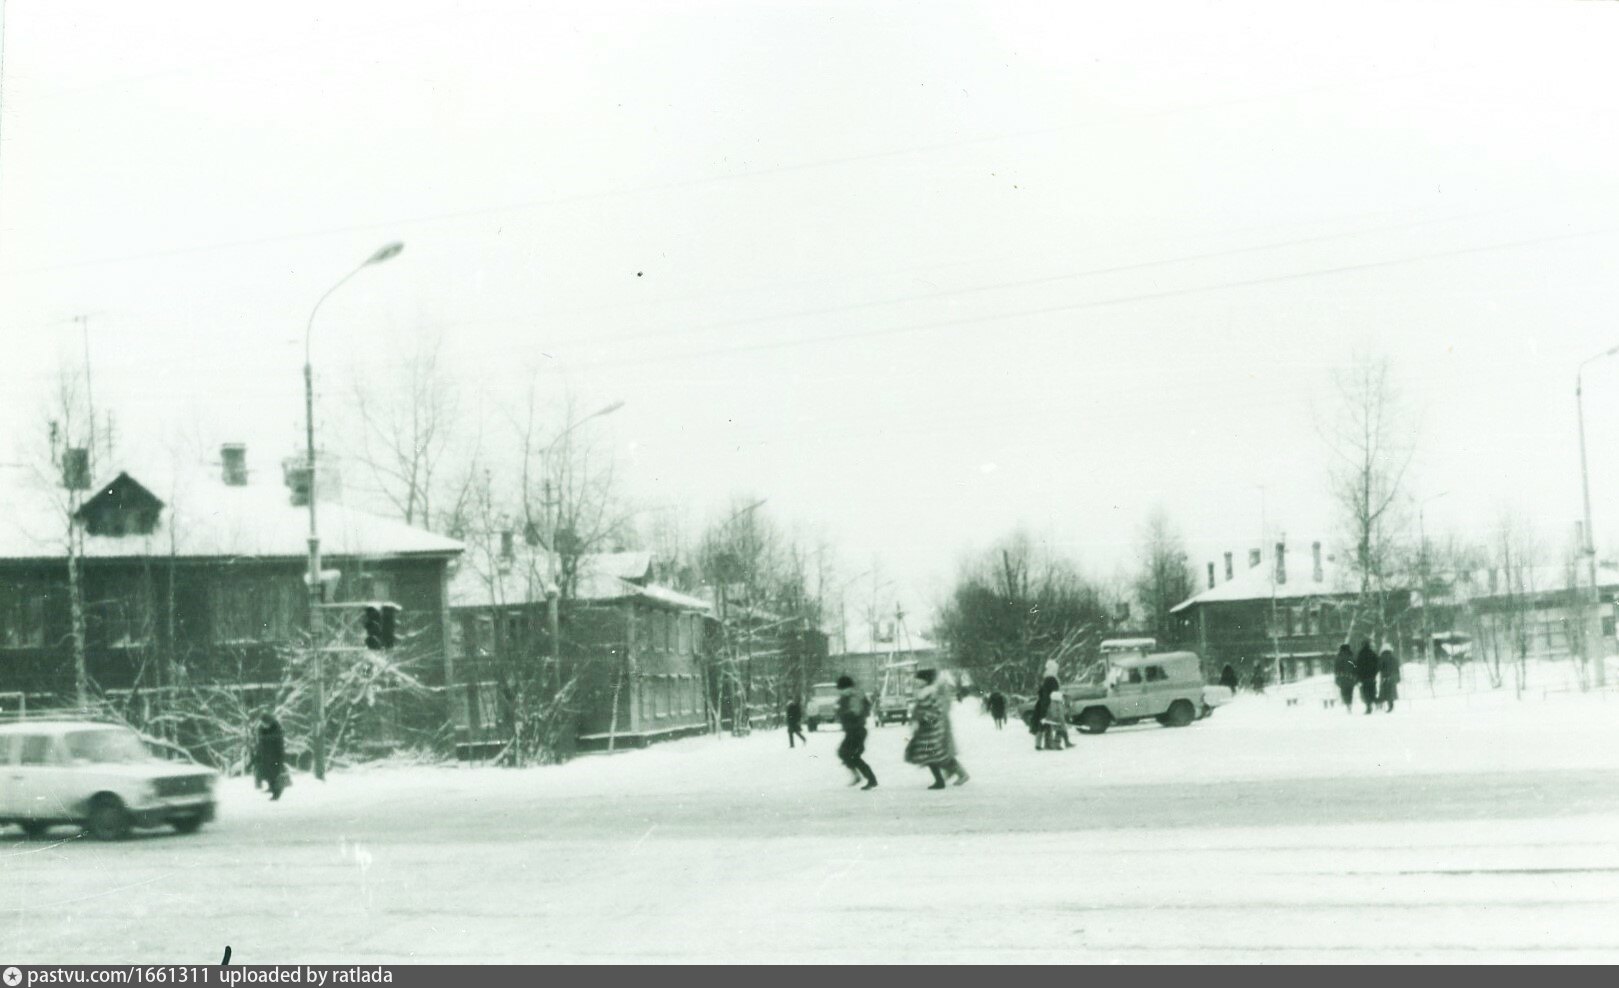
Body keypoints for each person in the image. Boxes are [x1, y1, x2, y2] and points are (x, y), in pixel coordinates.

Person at [905, 668, 968, 788]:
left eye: (919, 680)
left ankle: (946, 779)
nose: (917, 682)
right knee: (935, 755)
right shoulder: (923, 692)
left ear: (926, 681)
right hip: (927, 730)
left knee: (932, 755)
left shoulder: (930, 693)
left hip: (932, 730)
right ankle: (948, 777)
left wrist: (925, 721)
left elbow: (937, 711)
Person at [834, 676, 878, 790]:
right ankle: (861, 777)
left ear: (847, 687)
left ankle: (868, 779)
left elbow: (856, 712)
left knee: (849, 755)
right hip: (853, 730)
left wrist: (843, 713)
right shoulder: (848, 697)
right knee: (846, 754)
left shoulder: (854, 697)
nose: (840, 691)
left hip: (856, 730)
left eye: (842, 689)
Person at [253, 712, 286, 801]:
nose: (264, 724)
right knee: (266, 774)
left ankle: (277, 792)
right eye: (263, 723)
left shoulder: (276, 729)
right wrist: (258, 753)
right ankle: (271, 788)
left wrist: (280, 757)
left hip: (274, 756)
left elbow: (279, 744)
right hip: (265, 756)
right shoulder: (261, 729)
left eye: (265, 723)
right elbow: (260, 743)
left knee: (274, 775)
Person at [1355, 640, 1380, 715]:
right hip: (1372, 676)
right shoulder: (1373, 653)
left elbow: (1357, 666)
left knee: (1365, 692)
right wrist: (1374, 673)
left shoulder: (1360, 654)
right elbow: (1377, 664)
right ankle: (1377, 702)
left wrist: (1358, 676)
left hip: (1363, 677)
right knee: (1372, 690)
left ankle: (1368, 706)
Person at [1333, 644, 1357, 714]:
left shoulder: (1338, 657)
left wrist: (1337, 676)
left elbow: (1336, 668)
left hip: (1341, 677)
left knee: (1344, 692)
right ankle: (1349, 704)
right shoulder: (1351, 657)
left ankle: (1347, 704)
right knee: (1350, 692)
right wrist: (1355, 675)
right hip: (1350, 677)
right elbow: (1355, 666)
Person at [1378, 645, 1402, 713]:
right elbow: (1397, 669)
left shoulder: (1381, 658)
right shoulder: (1394, 658)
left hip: (1384, 677)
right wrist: (1398, 678)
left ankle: (1380, 706)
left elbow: (1379, 667)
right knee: (1390, 692)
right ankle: (1390, 705)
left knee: (1383, 691)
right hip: (1392, 677)